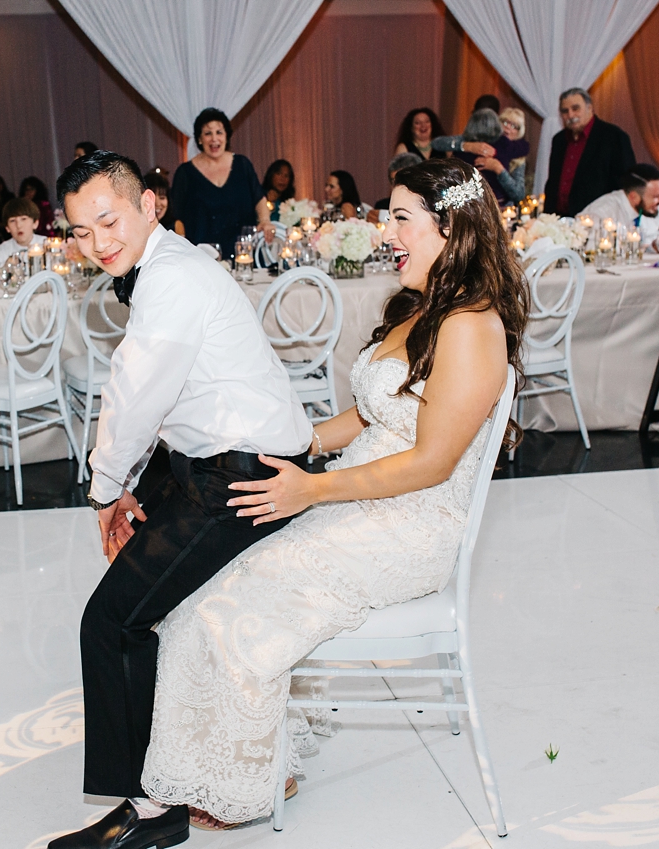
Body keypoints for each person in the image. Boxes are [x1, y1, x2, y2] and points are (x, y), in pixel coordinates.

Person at [133, 159, 528, 831]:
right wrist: (287, 442)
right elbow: (369, 415)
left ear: (450, 224)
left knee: (237, 595)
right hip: (358, 497)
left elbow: (432, 463)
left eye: (401, 217)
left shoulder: (470, 326)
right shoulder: (423, 306)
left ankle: (245, 780)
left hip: (408, 524)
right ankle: (254, 756)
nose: (386, 230)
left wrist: (311, 489)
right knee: (211, 575)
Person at [45, 150, 315, 848]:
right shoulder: (171, 266)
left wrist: (106, 492)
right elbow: (164, 408)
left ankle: (152, 810)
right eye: (80, 231)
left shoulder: (170, 281)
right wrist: (133, 488)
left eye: (108, 220)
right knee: (133, 598)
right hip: (217, 461)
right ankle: (167, 775)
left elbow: (135, 397)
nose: (98, 242)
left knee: (111, 621)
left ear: (149, 206)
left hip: (245, 481)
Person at [169, 108, 269, 250]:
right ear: (199, 139)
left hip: (244, 253)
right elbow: (177, 217)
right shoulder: (185, 173)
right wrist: (183, 247)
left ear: (227, 136)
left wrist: (265, 221)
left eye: (219, 132)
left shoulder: (242, 164)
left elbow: (259, 198)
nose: (214, 139)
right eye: (208, 133)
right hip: (203, 256)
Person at [542, 88, 637, 216]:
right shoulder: (559, 140)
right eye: (565, 111)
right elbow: (552, 184)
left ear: (590, 108)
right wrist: (546, 218)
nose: (570, 115)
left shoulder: (614, 137)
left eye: (576, 109)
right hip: (559, 220)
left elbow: (625, 185)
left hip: (596, 220)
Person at [437, 109, 527, 202]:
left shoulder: (518, 156)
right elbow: (438, 143)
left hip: (503, 208)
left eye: (514, 126)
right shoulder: (478, 142)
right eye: (504, 122)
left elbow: (519, 195)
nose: (508, 127)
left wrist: (498, 169)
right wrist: (465, 146)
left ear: (519, 132)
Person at [576, 163, 659, 241]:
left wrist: (654, 246)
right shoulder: (602, 213)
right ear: (633, 196)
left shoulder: (654, 211)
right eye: (656, 196)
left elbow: (647, 241)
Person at [0, 198, 45, 269]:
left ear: (35, 223)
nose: (18, 225)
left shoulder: (47, 245)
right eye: (12, 221)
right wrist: (6, 267)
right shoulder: (1, 250)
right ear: (7, 228)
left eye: (23, 219)